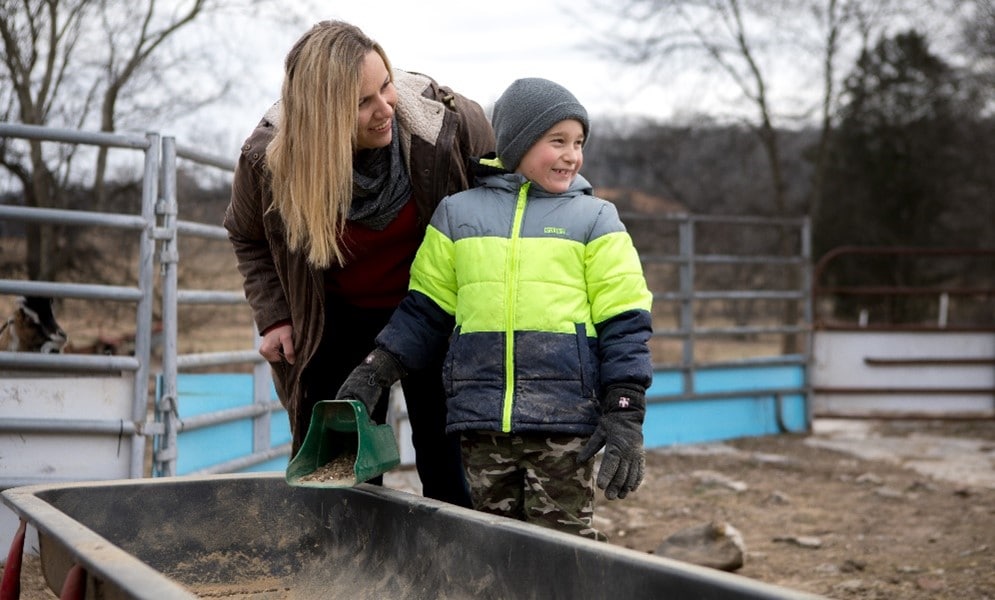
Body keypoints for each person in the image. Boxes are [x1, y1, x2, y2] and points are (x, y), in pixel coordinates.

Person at [336, 77, 653, 540]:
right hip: (481, 422)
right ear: (518, 142)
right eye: (557, 141)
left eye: (579, 142)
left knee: (561, 546)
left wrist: (625, 409)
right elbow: (425, 310)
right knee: (494, 542)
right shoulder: (457, 214)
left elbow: (625, 321)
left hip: (562, 423)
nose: (572, 155)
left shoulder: (595, 220)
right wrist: (377, 367)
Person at [223, 20, 495, 508]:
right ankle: (351, 569)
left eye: (385, 84)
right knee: (342, 476)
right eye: (362, 102)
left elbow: (504, 189)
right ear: (323, 116)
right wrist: (276, 317)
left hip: (433, 311)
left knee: (448, 464)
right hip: (336, 317)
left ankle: (456, 573)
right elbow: (247, 235)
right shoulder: (268, 159)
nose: (385, 107)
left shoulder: (447, 124)